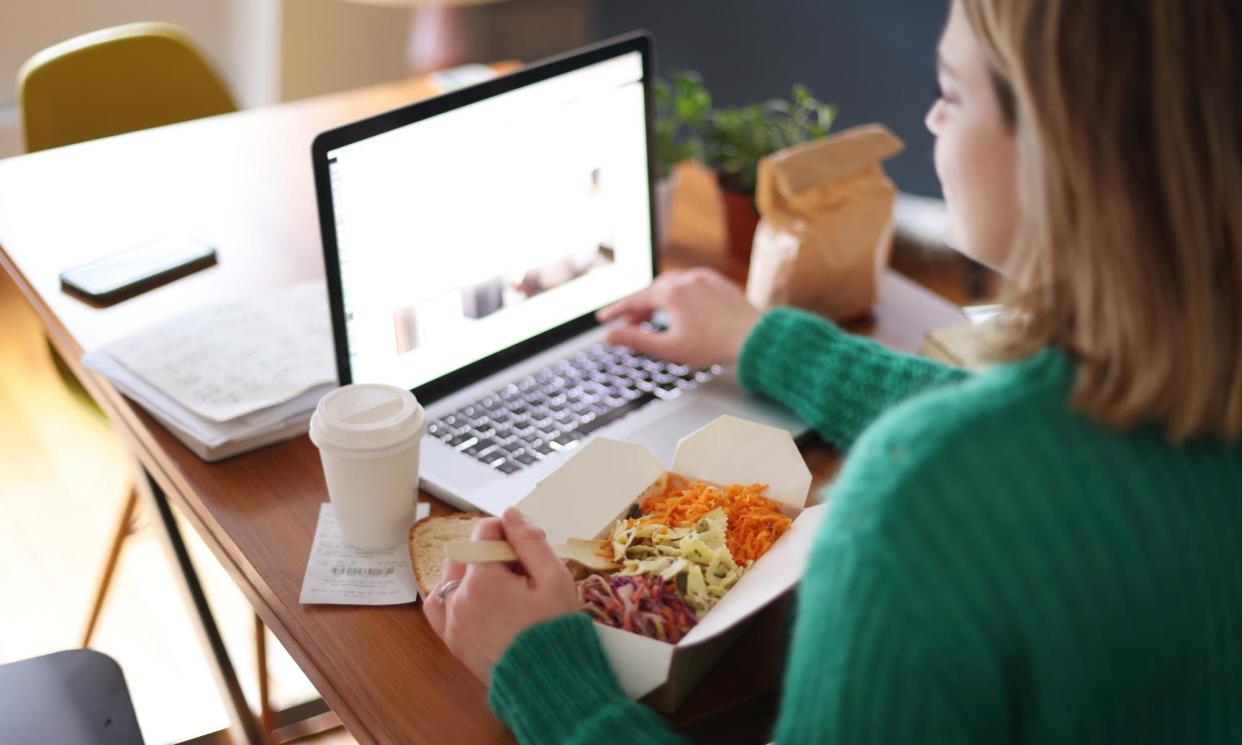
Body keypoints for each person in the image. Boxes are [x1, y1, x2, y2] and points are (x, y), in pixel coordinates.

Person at [424, 0, 1242, 741]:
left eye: (951, 92)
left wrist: (543, 676)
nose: (929, 115)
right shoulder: (1186, 379)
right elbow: (1031, 434)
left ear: (1063, 149)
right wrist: (763, 341)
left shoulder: (923, 498)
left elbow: (989, 460)